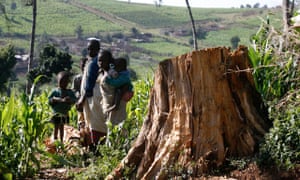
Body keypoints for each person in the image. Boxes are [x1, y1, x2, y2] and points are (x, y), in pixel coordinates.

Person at [76, 40, 113, 148]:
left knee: (95, 122)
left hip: (93, 98)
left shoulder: (95, 63)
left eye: (92, 49)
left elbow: (90, 83)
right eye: (88, 49)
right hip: (92, 98)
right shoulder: (93, 61)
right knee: (94, 122)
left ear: (98, 49)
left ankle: (97, 146)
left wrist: (81, 99)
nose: (90, 51)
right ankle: (97, 145)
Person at [99, 57, 134, 145]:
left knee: (118, 92)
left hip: (125, 93)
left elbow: (116, 83)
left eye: (116, 67)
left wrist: (108, 79)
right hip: (125, 94)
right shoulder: (121, 73)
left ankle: (115, 105)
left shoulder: (124, 75)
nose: (115, 69)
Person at [48, 71, 77, 142]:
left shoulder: (69, 92)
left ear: (67, 83)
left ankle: (61, 141)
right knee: (56, 127)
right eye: (61, 81)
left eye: (65, 82)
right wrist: (56, 100)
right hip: (56, 113)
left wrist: (69, 100)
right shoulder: (55, 91)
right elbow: (49, 100)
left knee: (62, 127)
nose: (63, 83)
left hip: (64, 113)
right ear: (58, 81)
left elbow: (74, 100)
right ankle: (55, 140)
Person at [72, 57, 87, 130]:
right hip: (80, 105)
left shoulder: (93, 79)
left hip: (90, 105)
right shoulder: (77, 78)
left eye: (85, 65)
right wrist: (78, 96)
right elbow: (74, 90)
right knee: (81, 123)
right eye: (82, 65)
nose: (84, 67)